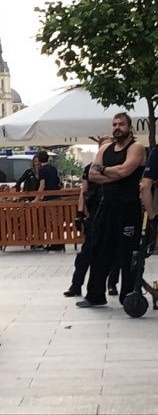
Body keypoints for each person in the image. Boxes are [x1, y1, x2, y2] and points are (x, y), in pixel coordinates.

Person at [78, 113, 146, 308]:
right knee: (98, 250)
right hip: (105, 207)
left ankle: (129, 295)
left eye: (121, 124)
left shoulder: (136, 148)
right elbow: (92, 174)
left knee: (128, 254)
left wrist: (104, 170)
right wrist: (115, 173)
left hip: (128, 208)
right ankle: (95, 295)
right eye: (114, 124)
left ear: (130, 127)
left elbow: (126, 171)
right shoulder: (105, 148)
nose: (117, 127)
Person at [63, 138, 120, 296]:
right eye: (104, 146)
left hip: (113, 212)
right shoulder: (90, 168)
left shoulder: (117, 166)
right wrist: (79, 214)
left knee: (115, 252)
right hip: (95, 214)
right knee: (86, 253)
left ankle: (112, 284)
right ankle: (76, 285)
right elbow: (84, 191)